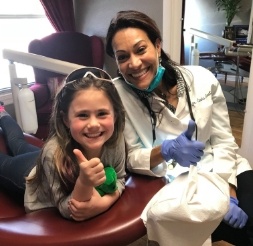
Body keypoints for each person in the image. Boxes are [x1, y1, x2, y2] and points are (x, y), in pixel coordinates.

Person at [105, 10, 253, 245]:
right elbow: (131, 157)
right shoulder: (117, 96)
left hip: (221, 168)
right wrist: (166, 150)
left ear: (157, 45)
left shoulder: (202, 79)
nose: (134, 63)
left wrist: (229, 194)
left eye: (140, 49)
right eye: (122, 57)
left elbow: (224, 141)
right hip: (175, 183)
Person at [0, 67, 126, 221]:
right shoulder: (52, 152)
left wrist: (104, 203)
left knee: (18, 144)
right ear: (66, 119)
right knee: (9, 152)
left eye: (102, 114)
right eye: (83, 115)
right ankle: (2, 113)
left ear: (115, 115)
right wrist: (84, 183)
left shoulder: (115, 140)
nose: (93, 124)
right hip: (29, 178)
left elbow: (120, 178)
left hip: (42, 163)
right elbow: (65, 208)